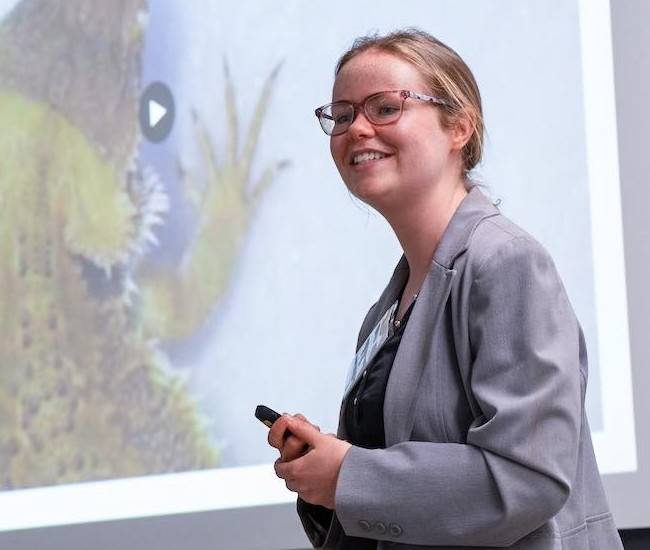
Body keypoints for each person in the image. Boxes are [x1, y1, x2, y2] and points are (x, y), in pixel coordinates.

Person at [267, 28, 623, 549]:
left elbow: (528, 477)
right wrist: (325, 477)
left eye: (384, 107)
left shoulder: (505, 263)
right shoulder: (387, 307)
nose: (357, 129)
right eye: (341, 115)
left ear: (459, 126)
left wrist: (350, 478)